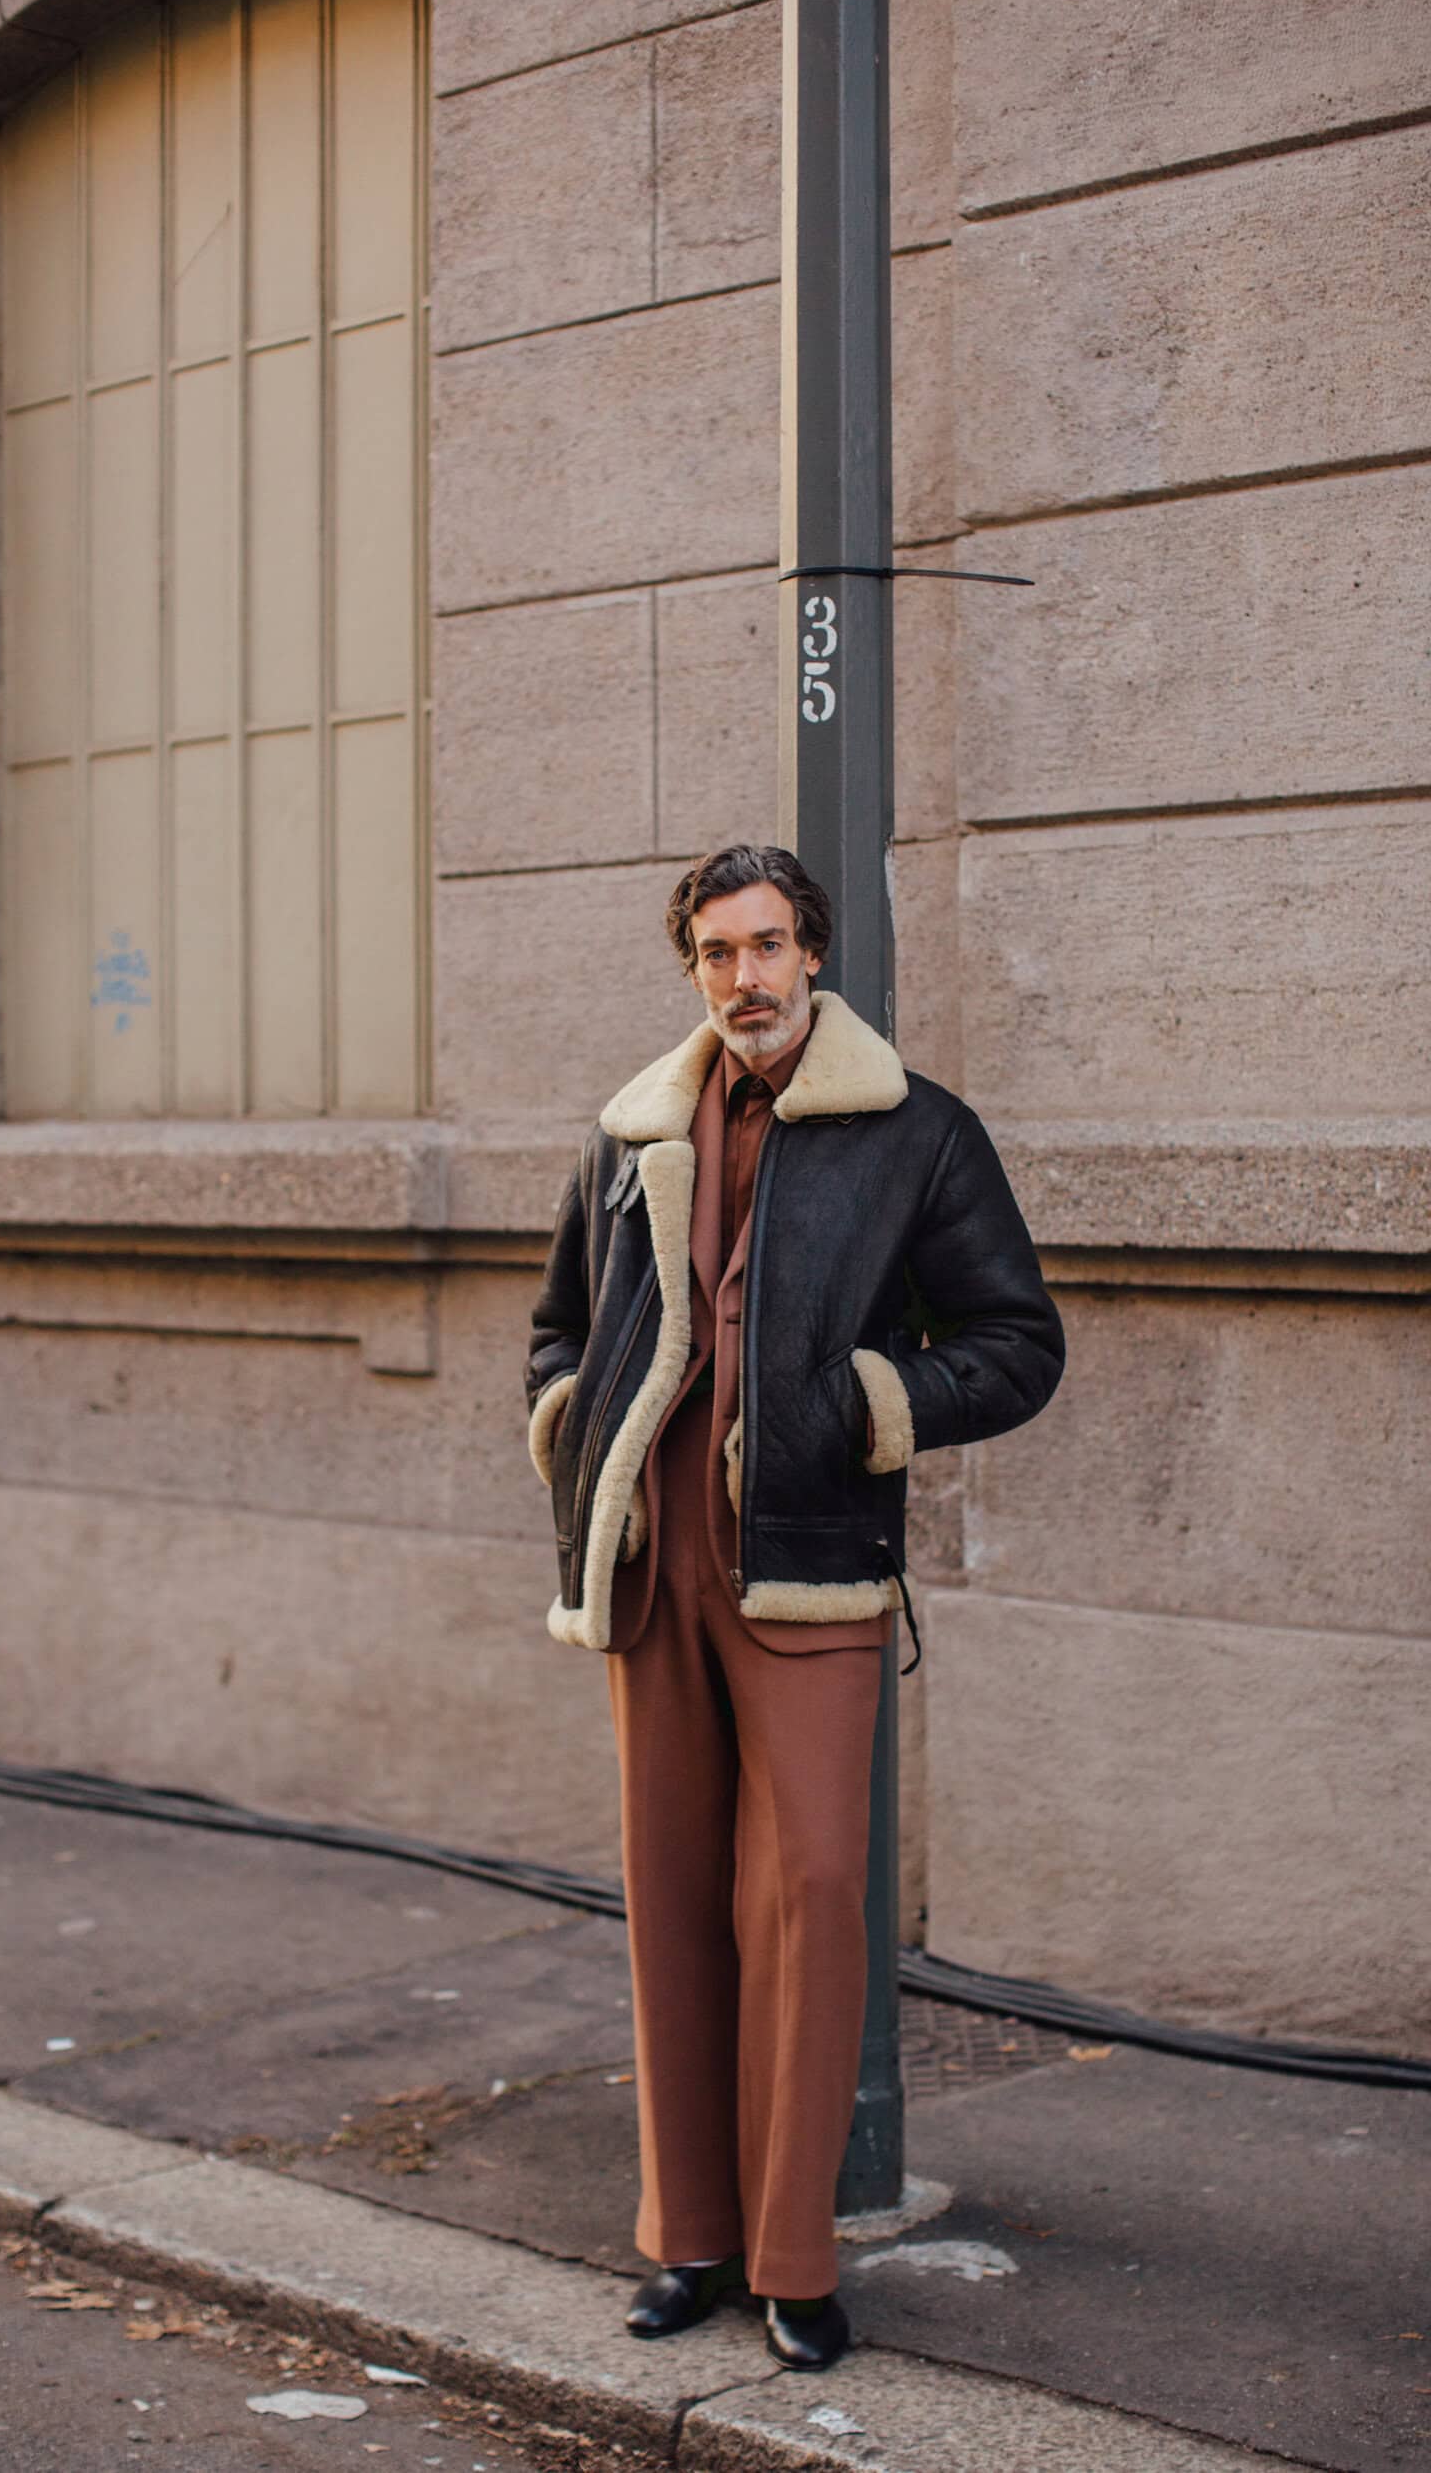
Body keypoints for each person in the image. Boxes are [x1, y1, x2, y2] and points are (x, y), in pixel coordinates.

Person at [524, 843, 1063, 2370]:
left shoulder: (918, 1131)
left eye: (766, 946)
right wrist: (574, 1426)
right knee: (673, 1900)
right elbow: (557, 1326)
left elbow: (1018, 1344)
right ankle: (690, 2240)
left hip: (811, 1559)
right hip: (651, 1567)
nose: (743, 978)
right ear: (693, 967)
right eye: (716, 952)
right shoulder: (631, 1131)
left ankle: (794, 2261)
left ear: (812, 953)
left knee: (815, 1896)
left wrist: (857, 1408)